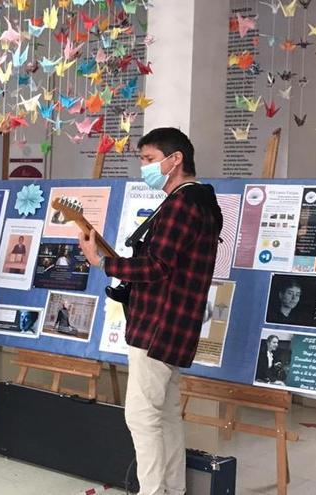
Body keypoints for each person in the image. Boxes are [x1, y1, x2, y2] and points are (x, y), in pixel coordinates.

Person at [79, 127, 222, 495]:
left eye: (148, 159)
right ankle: (172, 490)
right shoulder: (203, 202)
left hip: (157, 326)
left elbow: (156, 268)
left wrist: (101, 263)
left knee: (142, 417)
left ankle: (154, 491)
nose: (143, 167)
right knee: (167, 414)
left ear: (175, 160)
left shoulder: (181, 204)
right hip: (175, 325)